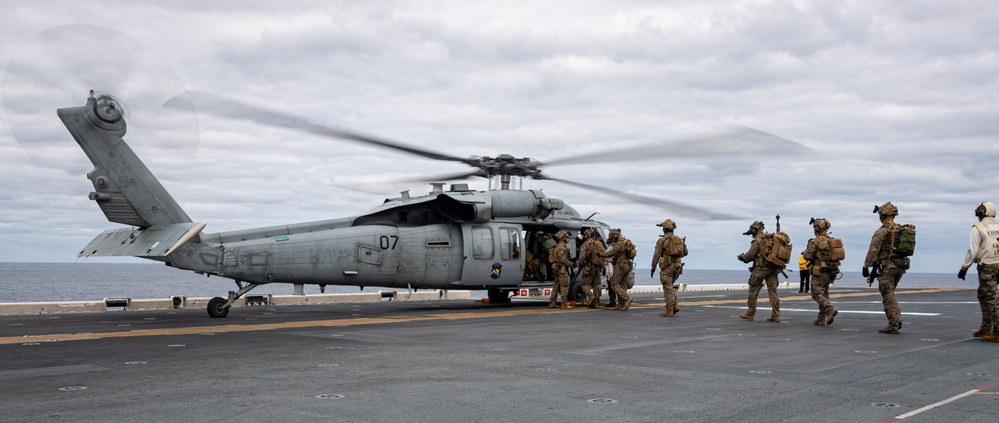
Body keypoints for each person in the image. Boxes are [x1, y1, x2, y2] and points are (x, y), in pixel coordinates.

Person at [862, 202, 907, 334]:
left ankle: (894, 321)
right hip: (900, 267)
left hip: (887, 266)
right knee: (890, 292)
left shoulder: (882, 231)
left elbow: (873, 251)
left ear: (882, 215)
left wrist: (866, 266)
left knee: (887, 295)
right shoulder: (901, 230)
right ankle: (894, 320)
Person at [958, 201, 999, 343]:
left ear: (982, 213)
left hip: (987, 266)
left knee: (992, 298)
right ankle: (986, 327)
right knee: (982, 294)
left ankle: (997, 332)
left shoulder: (978, 228)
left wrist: (964, 268)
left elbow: (973, 250)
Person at [736, 221, 781, 322]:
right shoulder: (771, 239)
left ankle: (750, 313)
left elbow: (750, 255)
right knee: (773, 291)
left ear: (754, 230)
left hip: (760, 269)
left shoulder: (757, 240)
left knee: (753, 290)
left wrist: (743, 258)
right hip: (773, 268)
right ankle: (775, 315)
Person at [803, 218, 839, 326]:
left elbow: (807, 256)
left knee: (816, 293)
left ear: (817, 228)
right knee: (824, 293)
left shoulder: (816, 241)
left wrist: (806, 252)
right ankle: (821, 318)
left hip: (819, 271)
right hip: (831, 271)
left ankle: (830, 309)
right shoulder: (832, 240)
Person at [651, 219, 687, 317]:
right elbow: (685, 253)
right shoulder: (678, 239)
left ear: (664, 229)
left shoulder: (662, 240)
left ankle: (669, 310)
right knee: (670, 285)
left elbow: (656, 255)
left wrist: (653, 267)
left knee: (667, 287)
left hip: (668, 267)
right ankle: (675, 306)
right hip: (678, 266)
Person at [599, 228, 635, 311]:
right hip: (627, 265)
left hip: (620, 265)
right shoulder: (627, 242)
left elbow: (612, 253)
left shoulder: (620, 243)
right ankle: (621, 304)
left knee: (614, 283)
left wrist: (601, 255)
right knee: (623, 284)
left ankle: (626, 298)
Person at [578, 229, 606, 308]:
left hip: (589, 267)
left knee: (584, 285)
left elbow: (582, 257)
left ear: (586, 235)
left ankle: (591, 297)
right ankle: (596, 302)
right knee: (597, 285)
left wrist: (580, 265)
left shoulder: (586, 244)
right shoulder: (599, 243)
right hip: (598, 267)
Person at [547, 231, 574, 309]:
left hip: (556, 269)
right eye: (567, 237)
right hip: (561, 269)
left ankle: (552, 303)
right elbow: (562, 259)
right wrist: (571, 264)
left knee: (556, 286)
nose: (568, 239)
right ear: (564, 238)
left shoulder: (557, 247)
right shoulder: (561, 248)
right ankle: (564, 304)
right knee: (564, 286)